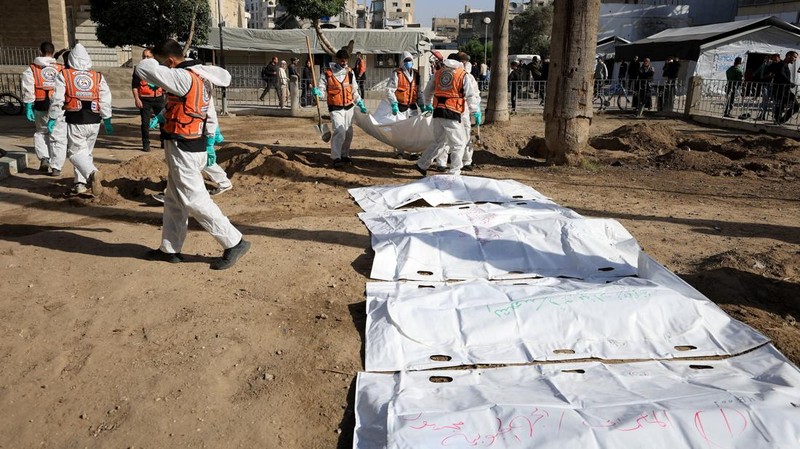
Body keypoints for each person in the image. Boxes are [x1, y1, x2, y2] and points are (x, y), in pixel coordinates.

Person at [135, 38, 250, 270]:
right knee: (174, 201)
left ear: (169, 60)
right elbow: (209, 113)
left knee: (195, 199)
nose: (158, 66)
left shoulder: (181, 76)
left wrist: (149, 59)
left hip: (183, 147)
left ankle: (234, 241)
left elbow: (142, 69)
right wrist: (209, 140)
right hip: (193, 143)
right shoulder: (201, 77)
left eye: (160, 62)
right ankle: (170, 249)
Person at [47, 43, 112, 195]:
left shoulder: (65, 74)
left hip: (76, 120)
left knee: (75, 153)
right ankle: (80, 183)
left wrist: (53, 117)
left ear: (71, 60)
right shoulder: (97, 76)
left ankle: (92, 173)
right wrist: (107, 119)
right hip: (95, 120)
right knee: (86, 152)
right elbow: (105, 99)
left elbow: (57, 98)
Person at [414, 53, 481, 176]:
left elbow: (427, 91)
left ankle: (422, 164)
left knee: (439, 141)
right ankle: (455, 171)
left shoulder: (438, 73)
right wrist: (475, 111)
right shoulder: (462, 75)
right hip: (452, 111)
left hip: (438, 111)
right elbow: (470, 95)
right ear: (460, 63)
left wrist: (428, 104)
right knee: (458, 144)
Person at [312, 49, 367, 168]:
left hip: (349, 107)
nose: (344, 63)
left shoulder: (350, 73)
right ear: (337, 59)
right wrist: (318, 93)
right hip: (335, 108)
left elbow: (354, 90)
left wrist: (360, 103)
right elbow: (321, 89)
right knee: (339, 131)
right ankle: (336, 157)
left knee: (348, 133)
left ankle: (345, 155)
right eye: (342, 60)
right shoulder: (327, 73)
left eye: (346, 60)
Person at [21, 41, 67, 176]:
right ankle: (56, 167)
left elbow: (28, 87)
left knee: (41, 132)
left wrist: (28, 105)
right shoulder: (61, 68)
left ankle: (44, 158)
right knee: (58, 136)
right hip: (58, 106)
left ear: (40, 51)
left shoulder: (33, 69)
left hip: (40, 104)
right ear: (53, 52)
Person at [387, 51, 422, 159]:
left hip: (412, 106)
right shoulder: (397, 73)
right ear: (402, 62)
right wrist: (393, 103)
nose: (408, 63)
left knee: (414, 129)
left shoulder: (416, 74)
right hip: (401, 106)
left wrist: (422, 104)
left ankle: (413, 152)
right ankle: (399, 152)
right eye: (406, 61)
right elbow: (390, 90)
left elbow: (419, 91)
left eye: (410, 60)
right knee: (400, 130)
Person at [132, 48, 165, 152]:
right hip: (144, 99)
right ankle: (146, 144)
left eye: (148, 56)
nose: (145, 59)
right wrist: (137, 99)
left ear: (153, 57)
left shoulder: (159, 68)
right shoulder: (138, 69)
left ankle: (164, 142)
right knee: (145, 123)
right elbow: (134, 86)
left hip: (159, 98)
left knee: (163, 121)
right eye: (144, 56)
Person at [770, 51, 798, 124]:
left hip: (784, 90)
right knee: (792, 106)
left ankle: (780, 120)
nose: (795, 59)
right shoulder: (782, 64)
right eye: (794, 57)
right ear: (789, 56)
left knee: (782, 106)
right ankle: (779, 120)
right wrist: (789, 83)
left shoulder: (784, 64)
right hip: (781, 90)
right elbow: (781, 73)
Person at [754, 53, 780, 120]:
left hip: (773, 85)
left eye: (767, 58)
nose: (766, 60)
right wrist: (755, 74)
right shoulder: (765, 65)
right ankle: (762, 115)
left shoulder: (775, 65)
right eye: (765, 58)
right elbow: (760, 70)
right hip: (766, 83)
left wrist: (770, 76)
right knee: (765, 100)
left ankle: (776, 117)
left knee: (775, 101)